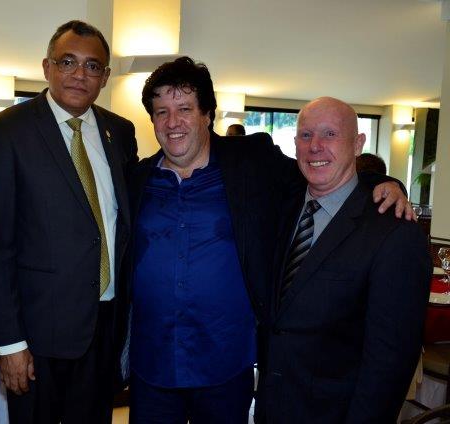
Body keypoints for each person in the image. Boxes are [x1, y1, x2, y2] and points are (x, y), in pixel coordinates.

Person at [129, 57, 411, 423]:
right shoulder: (136, 180)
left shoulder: (251, 162)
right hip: (152, 364)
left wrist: (383, 182)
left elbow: (318, 172)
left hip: (226, 367)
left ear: (206, 115)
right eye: (161, 112)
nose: (172, 122)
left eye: (184, 109)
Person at [0, 20, 138, 424]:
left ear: (105, 76)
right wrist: (10, 343)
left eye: (92, 66)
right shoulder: (7, 130)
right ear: (47, 67)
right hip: (37, 338)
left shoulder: (120, 132)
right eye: (68, 62)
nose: (80, 74)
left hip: (105, 328)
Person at [257, 97, 431, 423]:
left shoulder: (395, 233)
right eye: (306, 135)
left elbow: (389, 362)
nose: (315, 146)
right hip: (272, 409)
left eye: (330, 134)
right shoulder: (282, 208)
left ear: (358, 144)